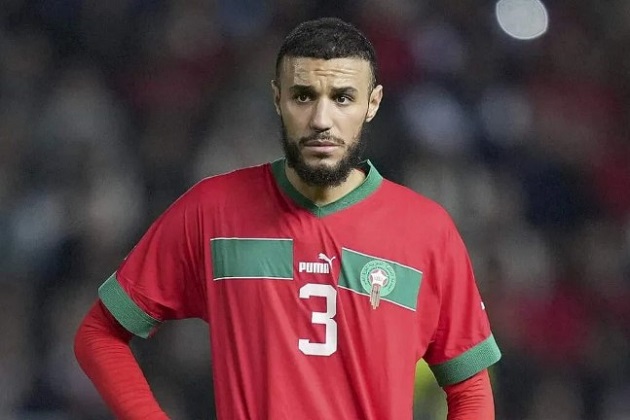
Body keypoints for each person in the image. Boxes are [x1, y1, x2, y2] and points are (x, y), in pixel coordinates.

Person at [74, 17, 501, 419]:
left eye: (342, 98)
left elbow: (471, 390)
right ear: (277, 98)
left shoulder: (426, 231)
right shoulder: (212, 211)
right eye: (303, 96)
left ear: (372, 104)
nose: (321, 120)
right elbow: (99, 334)